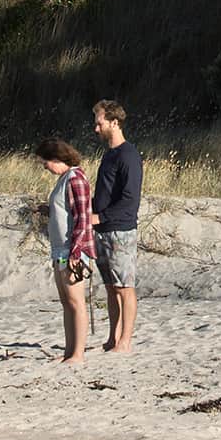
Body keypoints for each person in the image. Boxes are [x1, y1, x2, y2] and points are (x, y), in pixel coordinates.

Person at [89, 100, 143, 353]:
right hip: (103, 230)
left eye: (99, 123)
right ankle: (113, 338)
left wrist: (100, 217)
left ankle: (125, 341)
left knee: (124, 287)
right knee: (111, 288)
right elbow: (104, 194)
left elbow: (130, 199)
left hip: (120, 230)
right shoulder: (109, 154)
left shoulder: (128, 155)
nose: (96, 128)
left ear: (114, 122)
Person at [38, 137, 95, 366]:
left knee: (76, 301)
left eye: (45, 161)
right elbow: (67, 211)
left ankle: (78, 354)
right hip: (60, 249)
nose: (44, 166)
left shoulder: (75, 179)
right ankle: (69, 350)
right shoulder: (64, 180)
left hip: (72, 250)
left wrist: (76, 251)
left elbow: (83, 218)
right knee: (66, 302)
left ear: (57, 158)